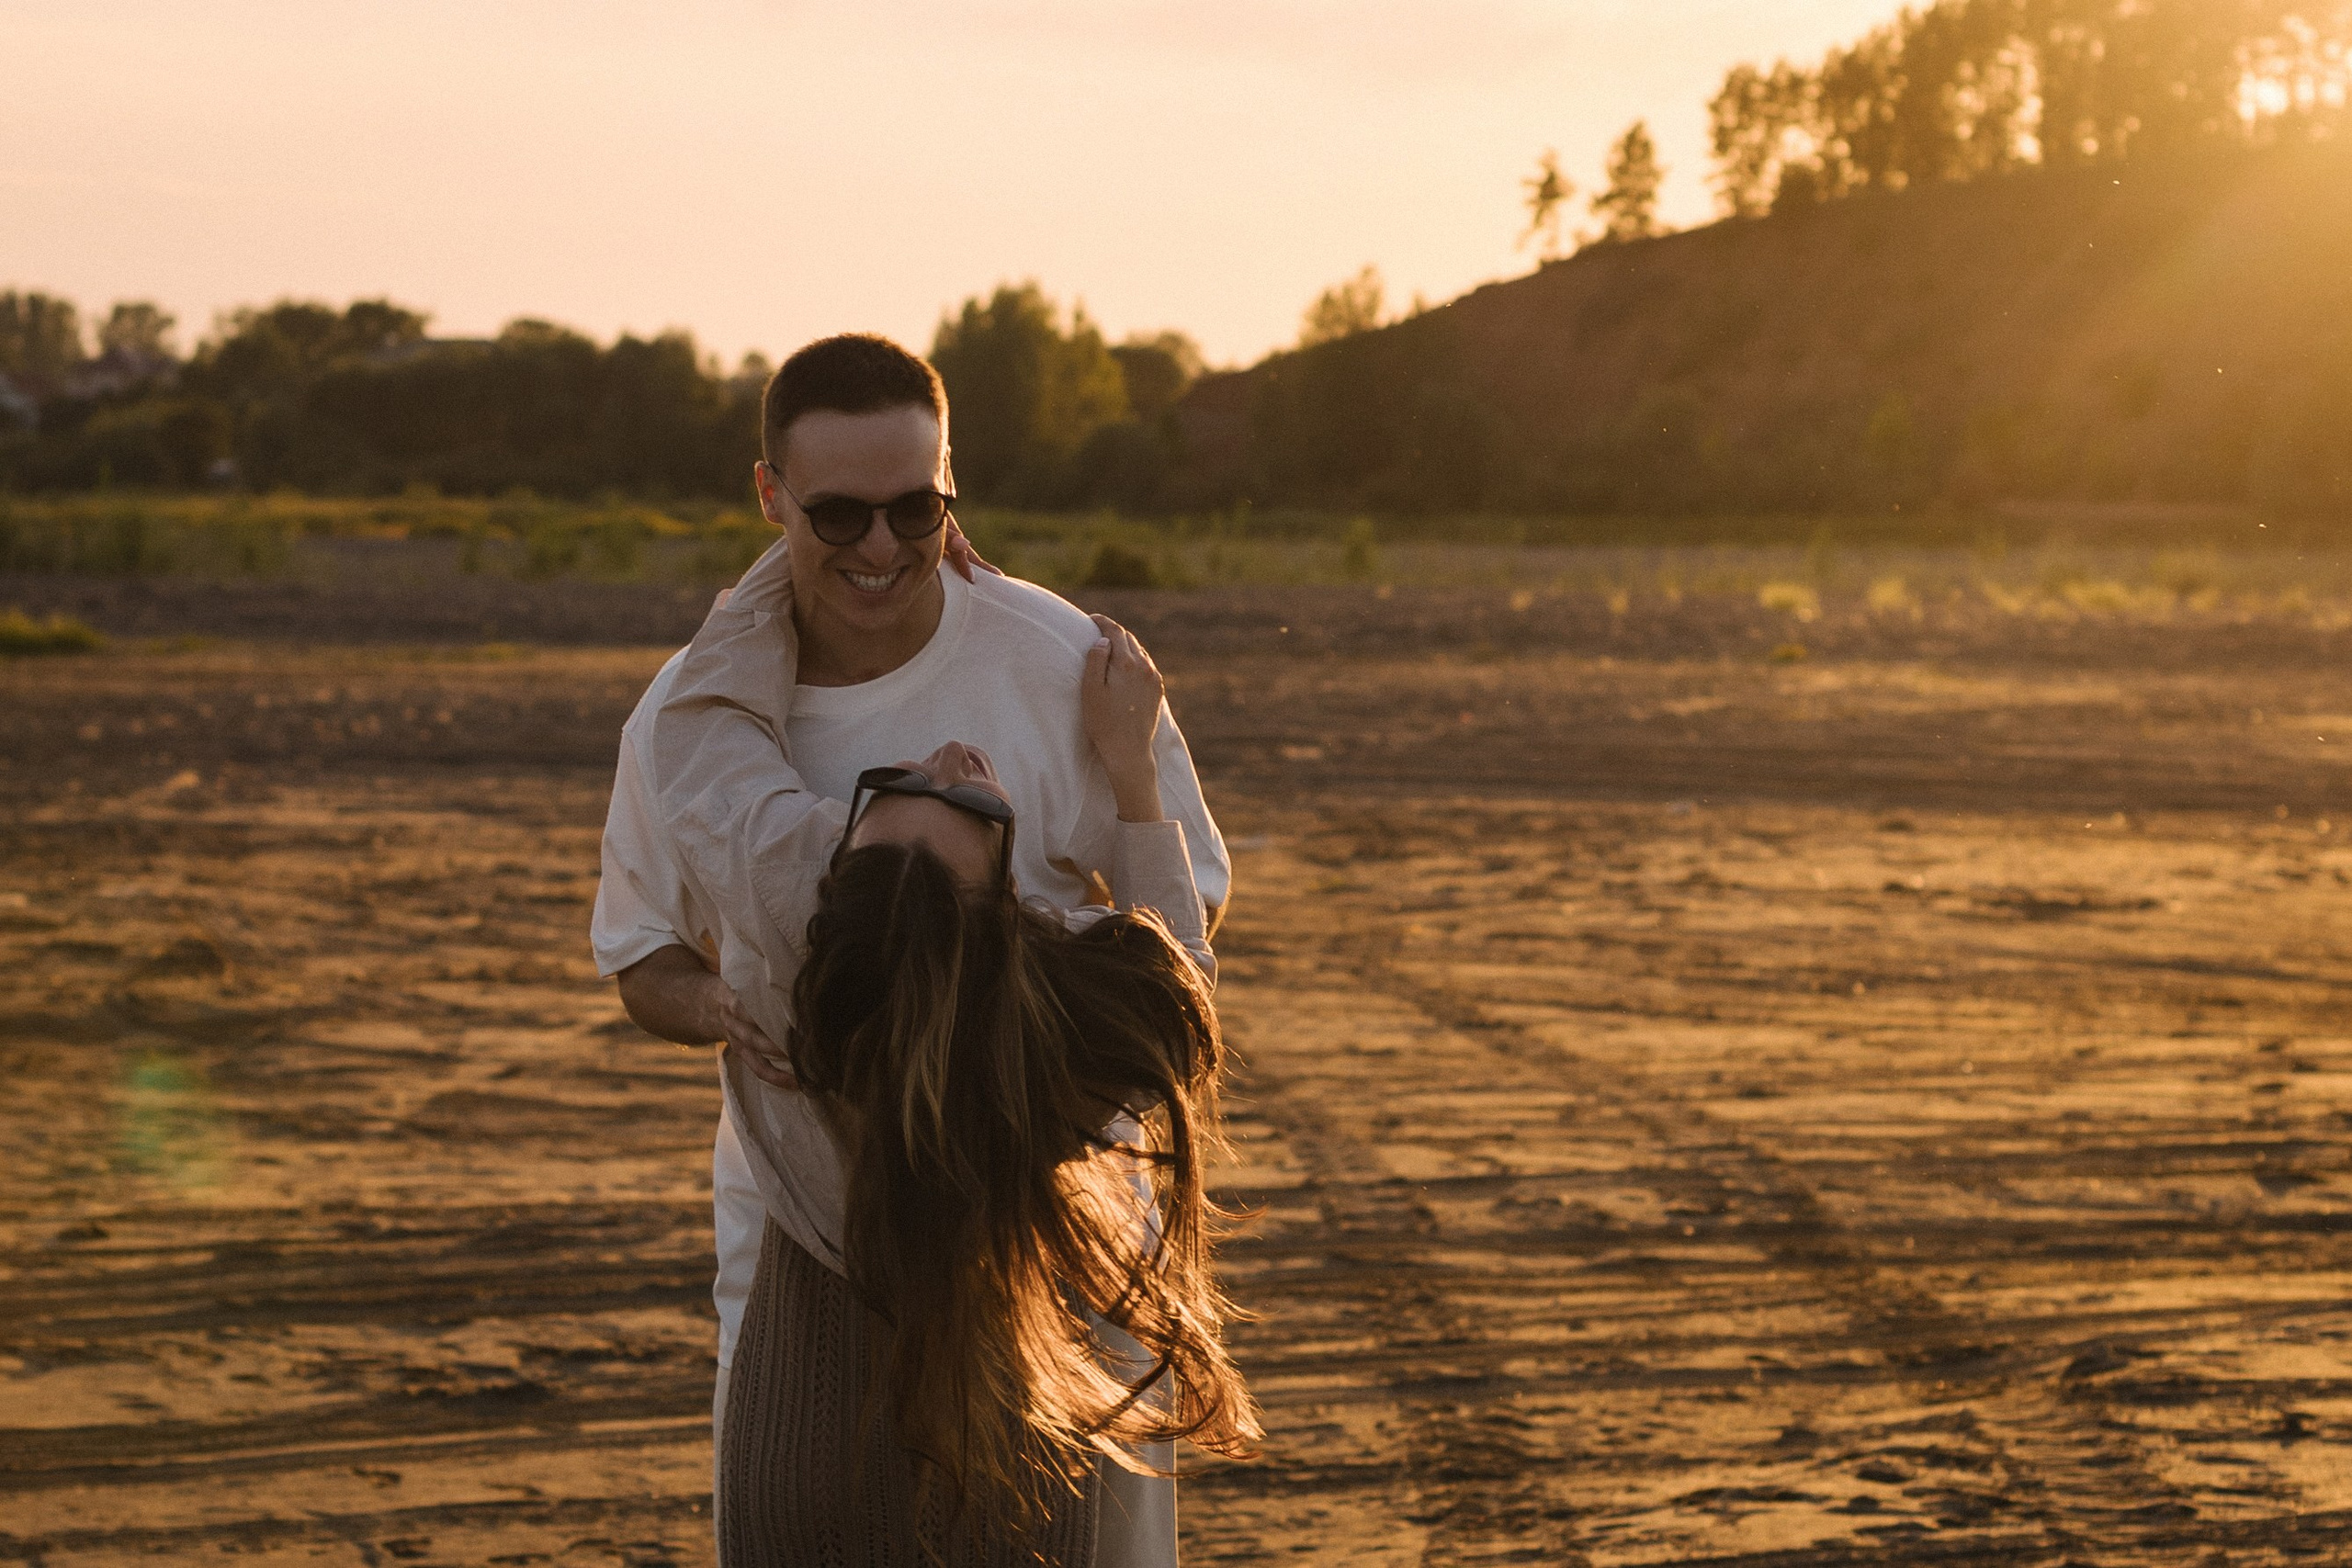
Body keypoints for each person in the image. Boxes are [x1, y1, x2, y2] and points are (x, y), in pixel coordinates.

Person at [587, 335, 1232, 1554]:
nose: (881, 547)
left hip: (1059, 1221)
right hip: (809, 1228)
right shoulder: (682, 714)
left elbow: (1188, 906)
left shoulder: (1053, 666)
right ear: (769, 492)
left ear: (954, 484)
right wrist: (725, 1005)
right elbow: (641, 961)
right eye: (837, 512)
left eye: (914, 507)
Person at [716, 643, 1259, 1562]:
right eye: (967, 802)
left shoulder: (795, 1008)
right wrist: (1131, 773)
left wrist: (797, 545)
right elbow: (1179, 974)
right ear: (1006, 908)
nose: (951, 758)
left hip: (796, 1462)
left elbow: (700, 742)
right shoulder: (1047, 1089)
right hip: (1011, 1477)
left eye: (906, 782)